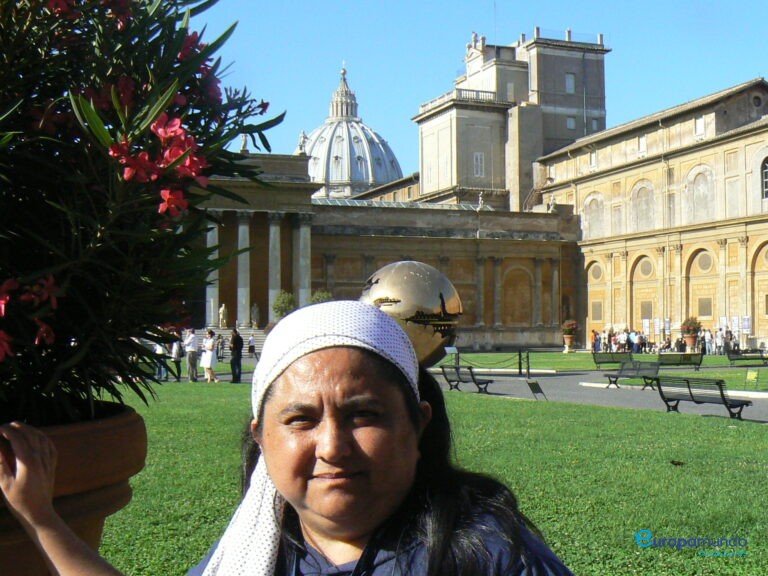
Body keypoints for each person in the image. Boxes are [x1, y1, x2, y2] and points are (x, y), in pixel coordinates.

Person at [0, 301, 573, 576]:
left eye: (364, 415)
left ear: (417, 424)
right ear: (262, 438)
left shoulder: (486, 552)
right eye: (300, 419)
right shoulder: (257, 550)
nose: (332, 447)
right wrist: (43, 519)